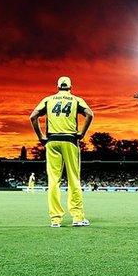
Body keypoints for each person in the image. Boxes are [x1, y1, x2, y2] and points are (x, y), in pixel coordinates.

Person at [30, 76, 94, 228]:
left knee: (53, 180)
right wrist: (82, 133)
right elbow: (90, 114)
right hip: (70, 140)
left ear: (57, 86)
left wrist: (41, 137)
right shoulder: (76, 100)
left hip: (52, 140)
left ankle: (55, 220)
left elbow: (33, 116)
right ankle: (77, 217)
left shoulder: (48, 100)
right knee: (73, 179)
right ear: (71, 86)